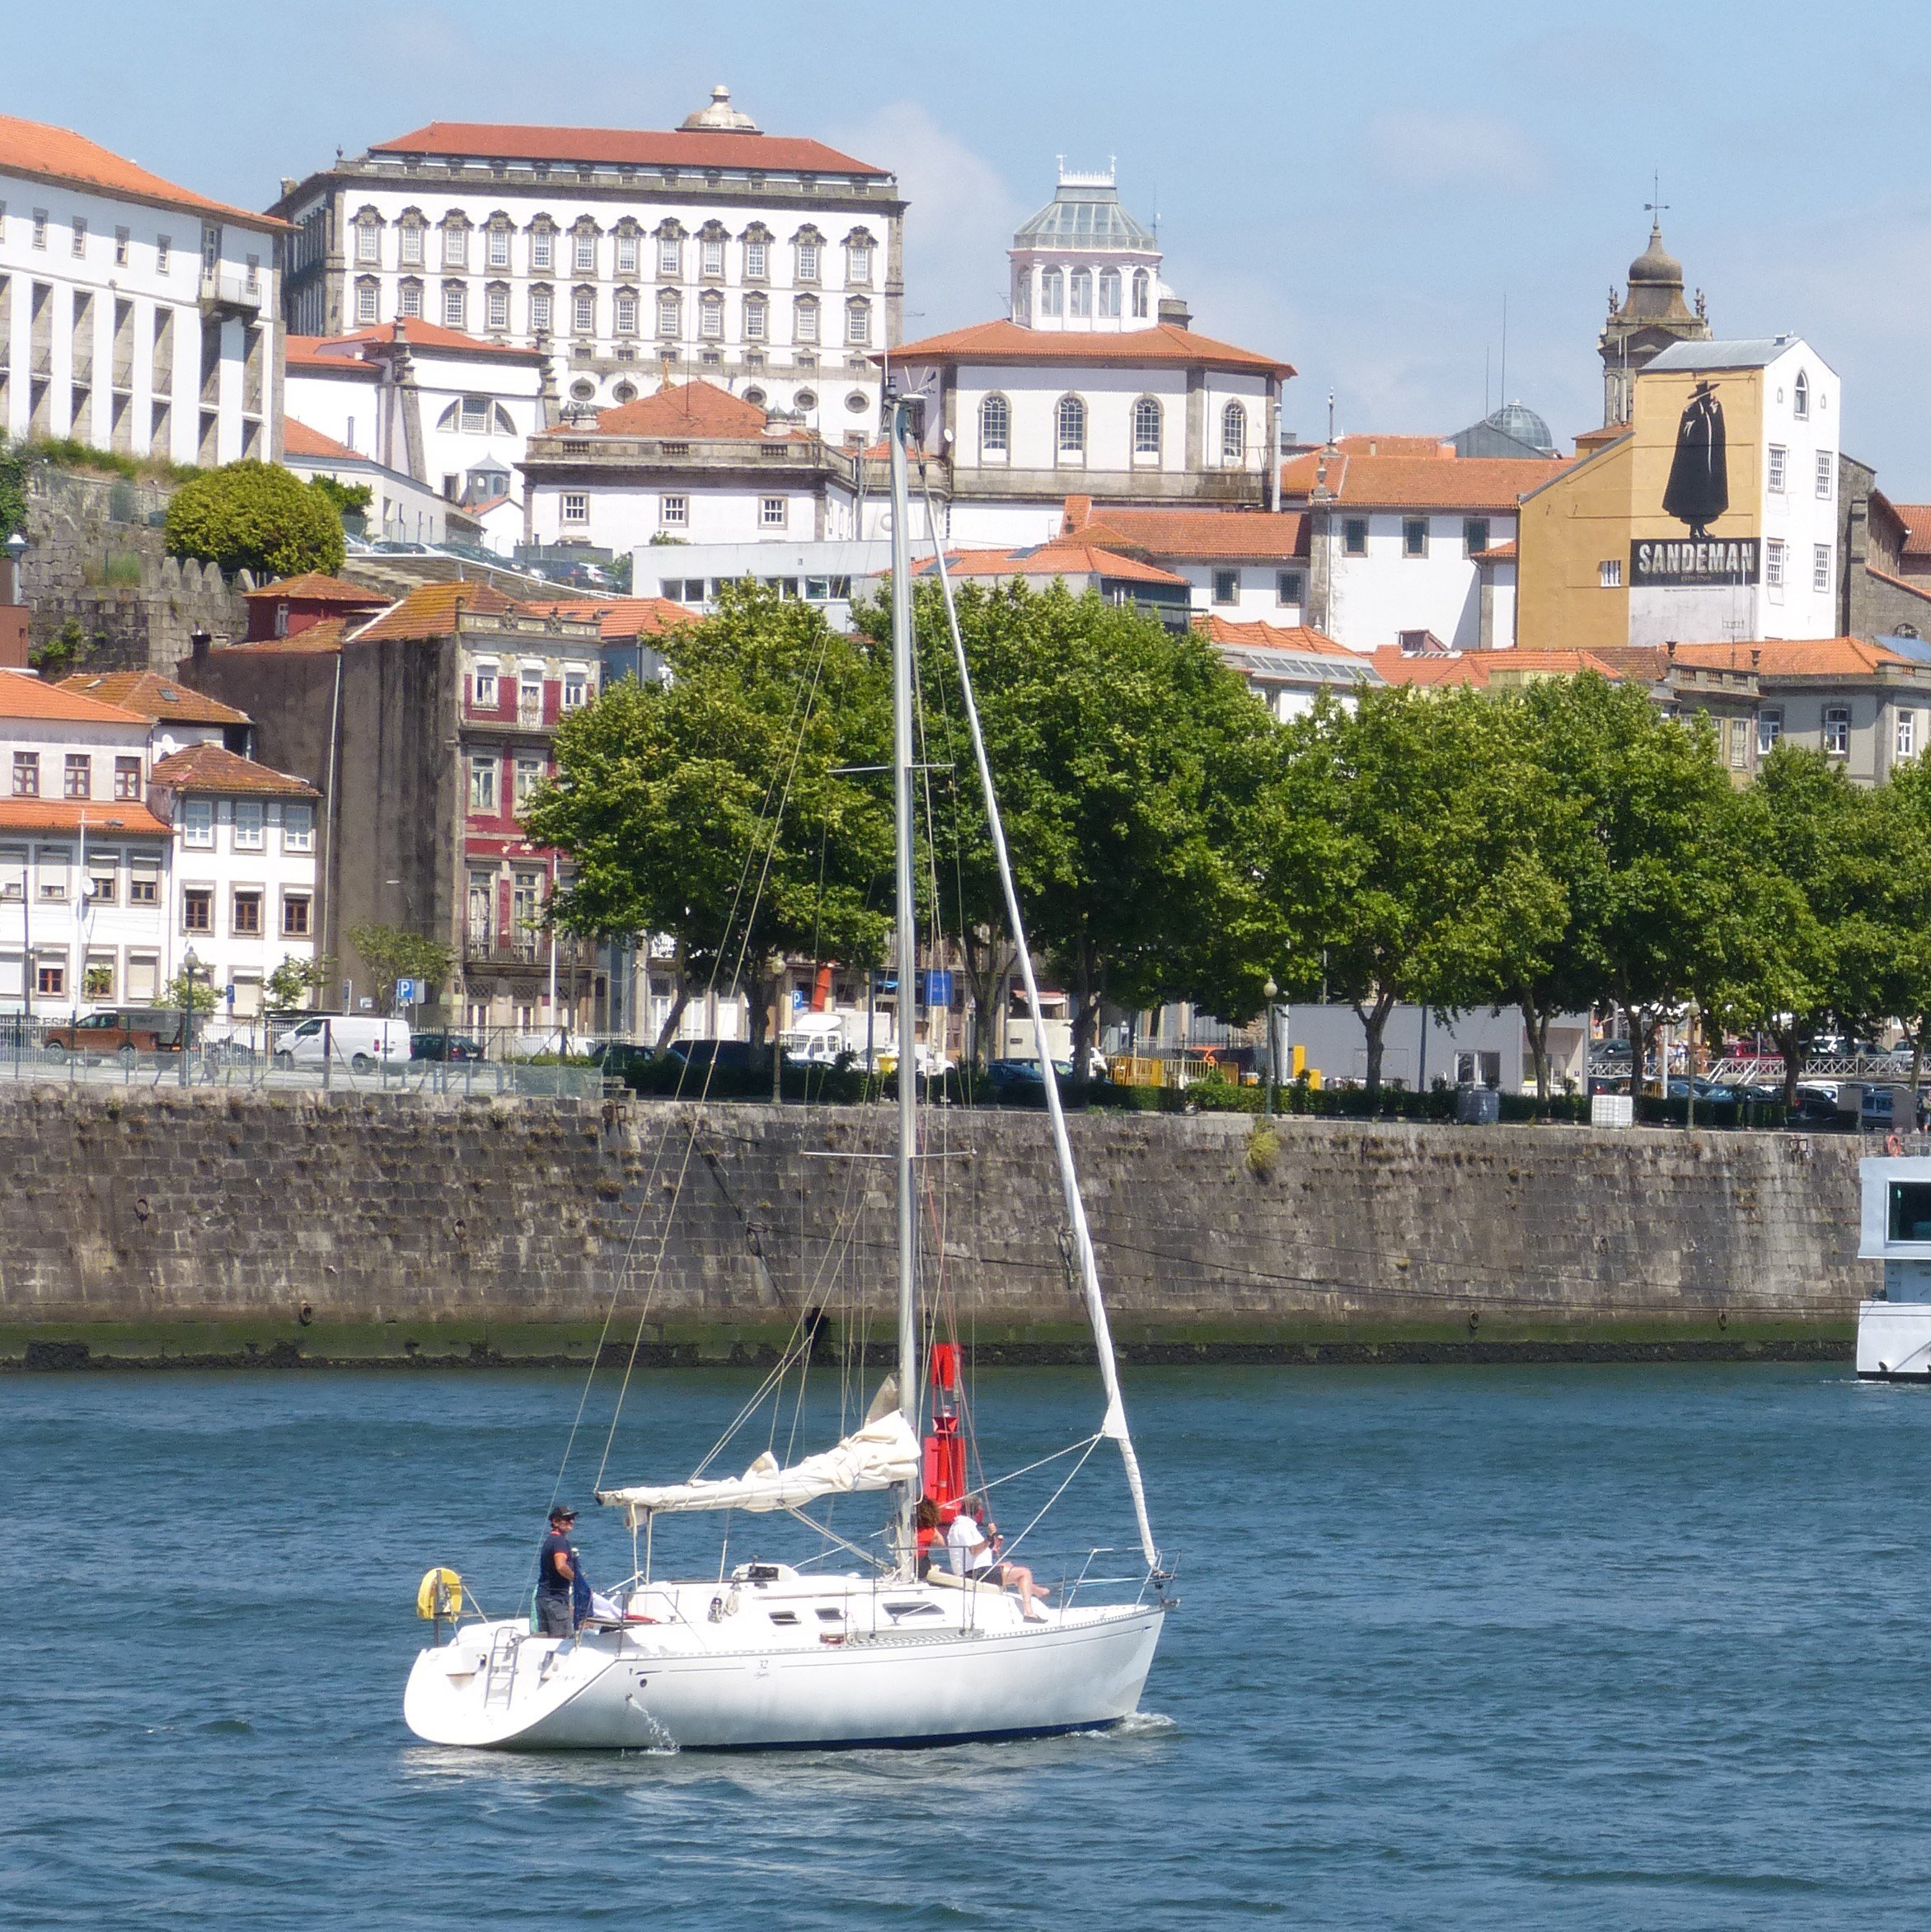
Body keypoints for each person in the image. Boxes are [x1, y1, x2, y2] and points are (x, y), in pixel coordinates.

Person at [946, 1493, 1050, 1622]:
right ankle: (1028, 1613)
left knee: (1008, 1566)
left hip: (979, 1569)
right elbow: (974, 1551)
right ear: (978, 1510)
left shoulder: (964, 1526)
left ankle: (1039, 1592)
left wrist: (991, 1548)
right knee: (1024, 1573)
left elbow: (973, 1551)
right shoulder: (962, 1528)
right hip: (974, 1573)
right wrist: (989, 1538)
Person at [536, 1503, 579, 1638]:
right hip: (555, 1600)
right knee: (561, 1641)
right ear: (555, 1522)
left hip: (544, 1597)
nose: (571, 1521)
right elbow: (561, 1566)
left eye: (572, 1518)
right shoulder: (560, 1541)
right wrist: (577, 1580)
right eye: (567, 1518)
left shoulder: (550, 1540)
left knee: (547, 1641)